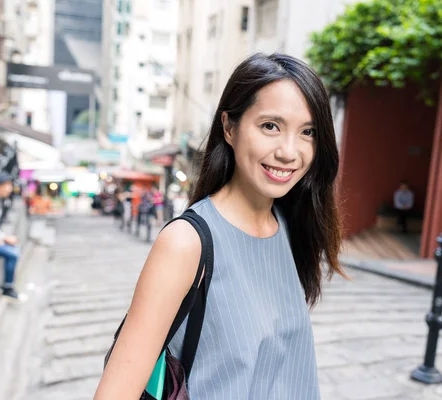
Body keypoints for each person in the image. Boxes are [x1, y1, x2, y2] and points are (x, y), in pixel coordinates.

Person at [95, 53, 345, 399]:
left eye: (308, 132)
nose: (290, 151)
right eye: (270, 126)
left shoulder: (288, 226)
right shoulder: (186, 243)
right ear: (229, 127)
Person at [0, 173, 21, 300]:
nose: (10, 189)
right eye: (7, 185)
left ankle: (8, 286)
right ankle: (7, 287)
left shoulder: (0, 201)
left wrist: (3, 237)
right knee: (13, 253)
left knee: (14, 249)